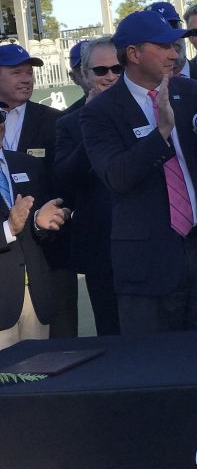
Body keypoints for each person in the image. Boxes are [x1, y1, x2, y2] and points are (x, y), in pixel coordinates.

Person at [80, 10, 197, 334]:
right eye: (163, 46)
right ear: (134, 54)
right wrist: (160, 133)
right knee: (155, 367)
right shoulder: (100, 112)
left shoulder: (190, 92)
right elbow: (117, 177)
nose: (173, 53)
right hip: (148, 265)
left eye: (174, 45)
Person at [0, 42, 76, 338]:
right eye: (15, 72)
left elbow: (65, 186)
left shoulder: (54, 122)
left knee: (56, 349)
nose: (26, 79)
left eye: (29, 72)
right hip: (5, 271)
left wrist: (55, 215)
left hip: (47, 259)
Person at [53, 37, 123, 335]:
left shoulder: (149, 107)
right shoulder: (68, 122)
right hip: (101, 247)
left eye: (117, 68)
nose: (110, 76)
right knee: (112, 332)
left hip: (153, 243)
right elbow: (65, 181)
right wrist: (89, 124)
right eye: (101, 70)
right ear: (83, 74)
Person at [0, 105, 70, 350]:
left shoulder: (27, 165)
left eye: (0, 116)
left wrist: (41, 223)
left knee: (41, 380)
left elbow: (37, 230)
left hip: (36, 298)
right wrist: (8, 229)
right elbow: (13, 227)